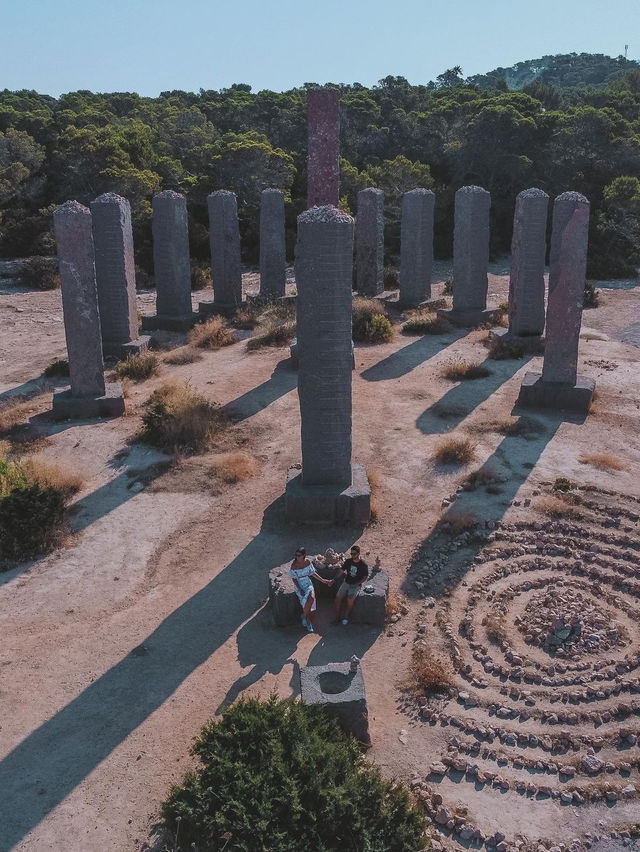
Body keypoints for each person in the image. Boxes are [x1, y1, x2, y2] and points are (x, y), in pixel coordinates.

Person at [289, 547, 332, 633]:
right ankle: (308, 622)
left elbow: (312, 573)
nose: (297, 557)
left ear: (304, 555)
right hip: (299, 585)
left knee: (311, 598)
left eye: (299, 555)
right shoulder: (294, 565)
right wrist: (300, 588)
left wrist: (323, 580)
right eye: (296, 555)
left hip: (308, 583)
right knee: (307, 604)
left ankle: (303, 615)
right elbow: (294, 579)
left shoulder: (308, 561)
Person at [333, 545, 368, 626]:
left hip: (356, 584)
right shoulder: (348, 561)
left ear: (359, 553)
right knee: (338, 598)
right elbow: (341, 571)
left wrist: (357, 583)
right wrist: (334, 579)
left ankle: (345, 616)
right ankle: (337, 617)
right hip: (347, 582)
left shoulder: (363, 565)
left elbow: (365, 577)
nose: (352, 555)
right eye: (351, 554)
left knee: (350, 599)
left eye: (354, 554)